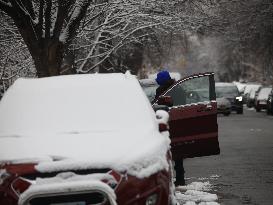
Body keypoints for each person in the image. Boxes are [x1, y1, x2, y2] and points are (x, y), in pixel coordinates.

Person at [155, 70, 186, 186]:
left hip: (173, 121)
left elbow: (182, 104)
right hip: (164, 122)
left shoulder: (175, 90)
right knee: (169, 152)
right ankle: (173, 179)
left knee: (175, 151)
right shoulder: (172, 88)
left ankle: (179, 179)